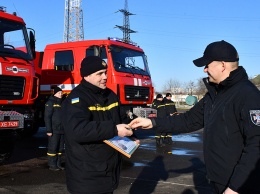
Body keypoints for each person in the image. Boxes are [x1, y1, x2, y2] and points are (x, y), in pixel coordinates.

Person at [129, 40, 260, 194]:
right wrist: (152, 122)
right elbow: (188, 120)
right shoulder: (214, 94)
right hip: (219, 181)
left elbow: (256, 146)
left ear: (223, 65)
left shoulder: (247, 95)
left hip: (240, 186)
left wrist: (235, 187)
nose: (204, 70)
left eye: (207, 65)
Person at [61, 56, 134, 194]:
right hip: (87, 176)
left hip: (108, 172)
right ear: (86, 75)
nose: (105, 77)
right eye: (99, 74)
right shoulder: (77, 98)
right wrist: (114, 129)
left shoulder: (110, 95)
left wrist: (131, 131)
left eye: (105, 72)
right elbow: (77, 130)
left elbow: (122, 118)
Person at [44, 86, 65, 171]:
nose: (61, 94)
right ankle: (52, 165)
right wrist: (49, 130)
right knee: (53, 147)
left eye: (61, 93)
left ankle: (58, 164)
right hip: (54, 129)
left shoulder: (63, 102)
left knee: (60, 148)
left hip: (62, 129)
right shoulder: (50, 103)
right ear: (55, 93)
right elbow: (47, 117)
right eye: (59, 93)